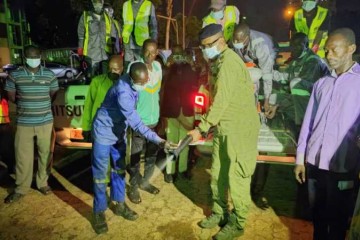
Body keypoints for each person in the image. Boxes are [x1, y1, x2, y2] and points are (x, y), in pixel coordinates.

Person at [188, 24, 260, 240]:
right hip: (224, 128)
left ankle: (237, 224)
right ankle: (220, 213)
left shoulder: (229, 62)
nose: (204, 51)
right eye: (202, 48)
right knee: (218, 173)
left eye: (206, 47)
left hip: (239, 129)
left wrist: (201, 128)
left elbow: (221, 101)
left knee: (237, 178)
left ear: (220, 42)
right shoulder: (218, 62)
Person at [294, 28, 360, 240]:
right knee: (318, 219)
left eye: (334, 49)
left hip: (343, 166)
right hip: (314, 164)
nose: (328, 55)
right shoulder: (321, 84)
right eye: (326, 50)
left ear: (351, 49)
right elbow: (308, 123)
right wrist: (300, 159)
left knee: (339, 223)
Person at [91, 62, 171, 234]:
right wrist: (159, 140)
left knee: (119, 170)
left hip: (118, 132)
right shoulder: (123, 92)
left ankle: (119, 204)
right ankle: (98, 212)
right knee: (99, 175)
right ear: (132, 78)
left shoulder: (132, 75)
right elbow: (137, 124)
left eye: (145, 82)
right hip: (104, 133)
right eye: (140, 83)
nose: (142, 86)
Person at [4, 45, 59, 203]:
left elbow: (53, 94)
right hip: (24, 122)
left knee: (45, 155)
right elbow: (11, 96)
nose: (33, 59)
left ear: (40, 57)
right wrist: (27, 105)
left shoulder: (49, 75)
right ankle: (21, 188)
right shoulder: (15, 75)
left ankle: (42, 183)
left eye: (36, 56)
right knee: (23, 157)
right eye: (30, 56)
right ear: (24, 57)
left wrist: (40, 104)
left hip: (45, 122)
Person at [266, 32, 330, 134]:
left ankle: (303, 126)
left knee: (295, 84)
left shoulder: (313, 62)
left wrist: (278, 105)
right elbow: (284, 77)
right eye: (292, 46)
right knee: (272, 98)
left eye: (298, 45)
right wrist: (266, 72)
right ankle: (288, 122)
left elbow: (299, 90)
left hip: (317, 103)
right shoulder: (296, 60)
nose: (294, 48)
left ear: (306, 46)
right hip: (303, 98)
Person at [126, 39, 162, 204]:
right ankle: (133, 186)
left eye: (153, 52)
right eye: (147, 51)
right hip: (139, 122)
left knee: (151, 155)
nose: (150, 55)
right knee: (135, 156)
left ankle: (145, 182)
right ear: (142, 51)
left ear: (157, 53)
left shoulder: (158, 67)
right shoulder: (134, 66)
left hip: (154, 121)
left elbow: (157, 93)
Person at [161, 46, 199, 183]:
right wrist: (168, 65)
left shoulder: (190, 69)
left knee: (185, 143)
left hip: (187, 111)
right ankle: (169, 171)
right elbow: (162, 83)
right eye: (175, 55)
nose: (178, 58)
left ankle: (182, 169)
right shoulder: (167, 69)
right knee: (171, 142)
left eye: (180, 55)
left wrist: (191, 64)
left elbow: (196, 81)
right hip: (170, 111)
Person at [82, 55, 124, 141]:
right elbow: (88, 104)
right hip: (99, 128)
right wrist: (86, 127)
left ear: (122, 68)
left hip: (118, 129)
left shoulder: (126, 84)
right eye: (110, 68)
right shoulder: (97, 82)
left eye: (115, 69)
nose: (112, 71)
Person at [77, 0, 119, 76]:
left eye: (100, 1)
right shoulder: (85, 16)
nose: (98, 4)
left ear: (102, 2)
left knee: (105, 79)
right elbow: (81, 36)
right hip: (90, 55)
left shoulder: (107, 17)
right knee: (91, 79)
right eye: (95, 1)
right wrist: (80, 49)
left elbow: (112, 34)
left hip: (105, 55)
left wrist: (113, 50)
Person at [122, 0, 158, 67]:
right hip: (128, 42)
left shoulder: (149, 5)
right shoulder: (126, 5)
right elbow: (124, 23)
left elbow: (153, 25)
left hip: (142, 44)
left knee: (142, 67)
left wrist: (153, 42)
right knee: (128, 67)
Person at [0, 77, 15, 174]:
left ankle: (11, 167)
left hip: (4, 124)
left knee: (7, 149)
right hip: (4, 124)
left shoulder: (4, 92)